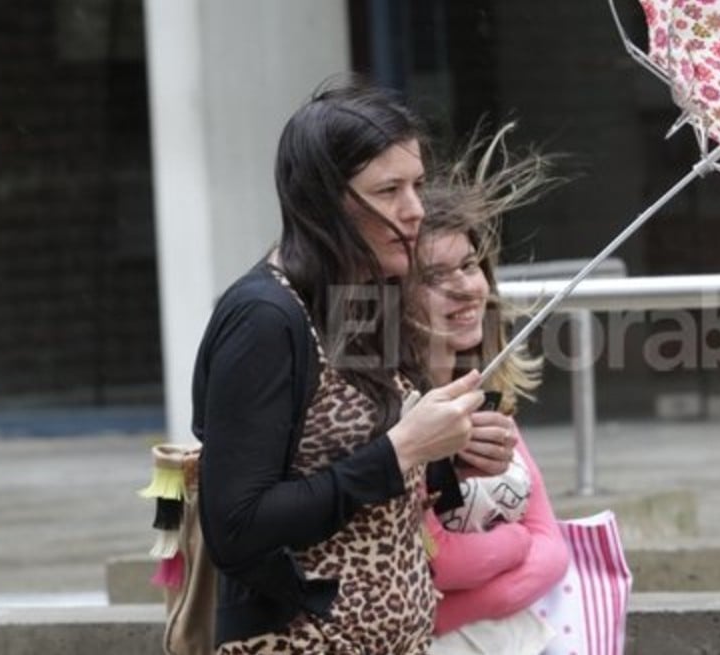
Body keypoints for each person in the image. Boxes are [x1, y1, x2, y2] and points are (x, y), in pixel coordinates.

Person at [193, 80, 519, 654]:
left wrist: (450, 456)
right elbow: (236, 528)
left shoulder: (368, 297)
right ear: (323, 201)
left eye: (417, 184)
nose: (415, 210)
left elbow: (363, 472)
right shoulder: (264, 318)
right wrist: (403, 450)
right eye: (388, 190)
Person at [409, 130, 571, 653]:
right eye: (435, 276)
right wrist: (516, 543)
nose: (465, 287)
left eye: (469, 265)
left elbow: (553, 551)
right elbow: (442, 562)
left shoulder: (483, 393)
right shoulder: (394, 411)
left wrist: (488, 587)